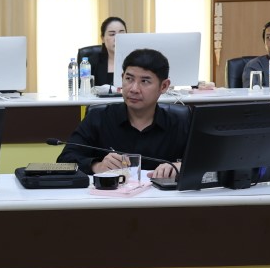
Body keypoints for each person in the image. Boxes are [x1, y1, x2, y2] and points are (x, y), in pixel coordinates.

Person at [56, 49, 188, 179]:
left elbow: (201, 161)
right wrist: (97, 166)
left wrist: (182, 166)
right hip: (110, 193)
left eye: (145, 81)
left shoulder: (181, 123)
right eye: (129, 79)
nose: (134, 89)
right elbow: (65, 161)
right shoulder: (98, 118)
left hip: (163, 194)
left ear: (164, 86)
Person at [87, 17, 127, 90]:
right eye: (112, 34)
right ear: (102, 38)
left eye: (121, 34)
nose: (117, 38)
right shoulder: (92, 62)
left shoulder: (138, 61)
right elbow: (83, 91)